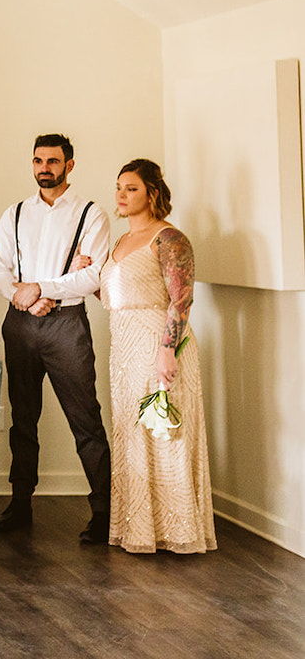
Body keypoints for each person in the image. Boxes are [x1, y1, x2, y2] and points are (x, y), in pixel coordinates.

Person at [0, 132, 111, 543]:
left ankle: (104, 511)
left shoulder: (91, 215)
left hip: (67, 326)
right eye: (38, 160)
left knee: (85, 418)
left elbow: (92, 275)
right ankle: (21, 503)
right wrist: (23, 297)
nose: (44, 168)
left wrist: (39, 288)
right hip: (20, 324)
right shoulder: (15, 213)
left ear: (69, 165)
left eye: (53, 161)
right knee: (23, 418)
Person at [97, 159, 215, 553]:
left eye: (131, 188)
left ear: (151, 192)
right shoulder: (118, 242)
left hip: (157, 347)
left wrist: (167, 352)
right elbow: (120, 298)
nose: (122, 195)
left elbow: (181, 299)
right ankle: (140, 530)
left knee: (165, 433)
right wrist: (91, 275)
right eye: (118, 187)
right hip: (123, 353)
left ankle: (178, 532)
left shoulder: (168, 238)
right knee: (132, 437)